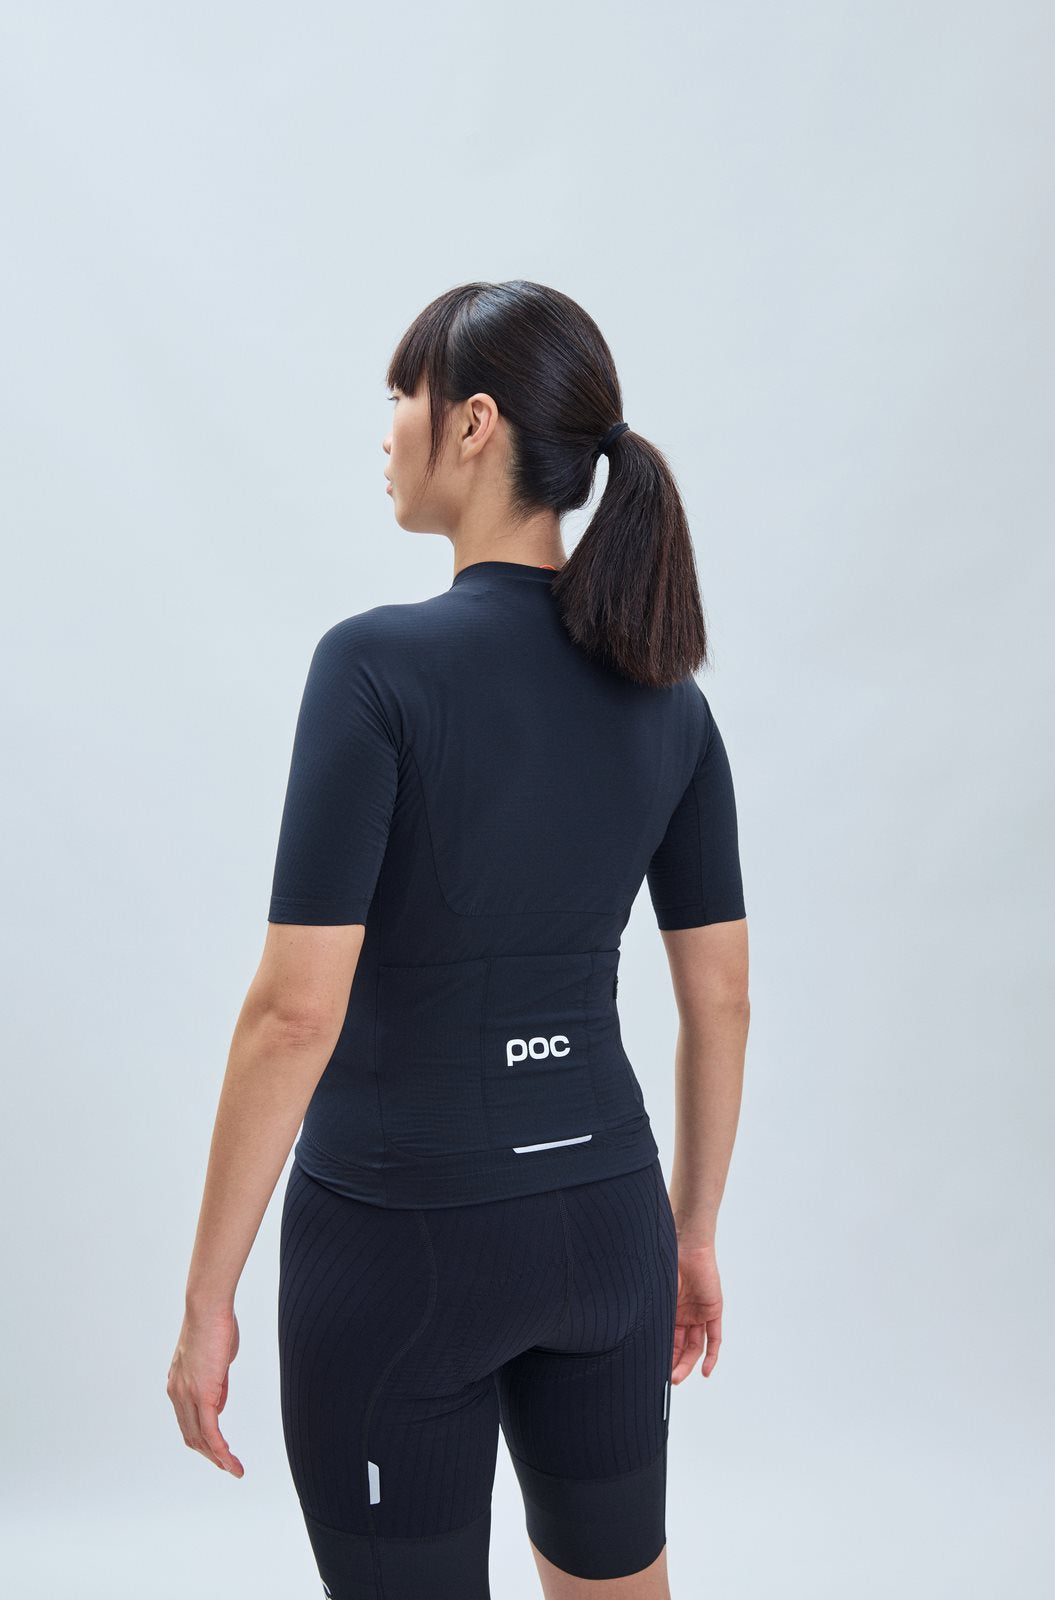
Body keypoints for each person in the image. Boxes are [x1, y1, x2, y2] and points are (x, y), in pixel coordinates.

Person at [166, 279, 751, 1599]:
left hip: (401, 1242)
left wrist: (208, 1300)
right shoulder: (669, 699)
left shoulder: (376, 667)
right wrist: (693, 1233)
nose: (387, 429)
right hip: (608, 1228)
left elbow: (293, 1014)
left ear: (474, 424)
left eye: (404, 396)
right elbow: (722, 998)